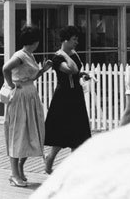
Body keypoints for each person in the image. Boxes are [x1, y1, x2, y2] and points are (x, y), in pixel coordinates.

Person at [2, 25, 52, 187]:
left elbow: (30, 76)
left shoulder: (29, 55)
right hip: (21, 96)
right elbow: (6, 68)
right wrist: (11, 85)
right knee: (18, 132)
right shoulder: (20, 55)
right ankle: (14, 173)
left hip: (30, 95)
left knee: (32, 131)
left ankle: (20, 168)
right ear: (34, 41)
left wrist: (43, 70)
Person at [44, 25, 91, 174]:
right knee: (61, 132)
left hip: (76, 95)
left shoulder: (74, 53)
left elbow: (77, 71)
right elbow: (71, 69)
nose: (76, 42)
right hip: (63, 97)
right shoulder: (57, 57)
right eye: (74, 39)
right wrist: (65, 54)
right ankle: (50, 158)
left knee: (78, 133)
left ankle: (73, 169)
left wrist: (83, 74)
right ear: (65, 40)